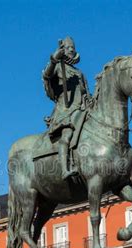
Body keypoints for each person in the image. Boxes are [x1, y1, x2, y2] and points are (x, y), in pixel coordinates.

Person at [42, 36, 90, 180]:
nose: (71, 50)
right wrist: (53, 60)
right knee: (67, 133)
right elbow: (46, 76)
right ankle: (64, 169)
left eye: (73, 48)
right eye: (68, 48)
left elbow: (86, 93)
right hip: (65, 111)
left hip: (82, 110)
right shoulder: (57, 67)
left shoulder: (80, 73)